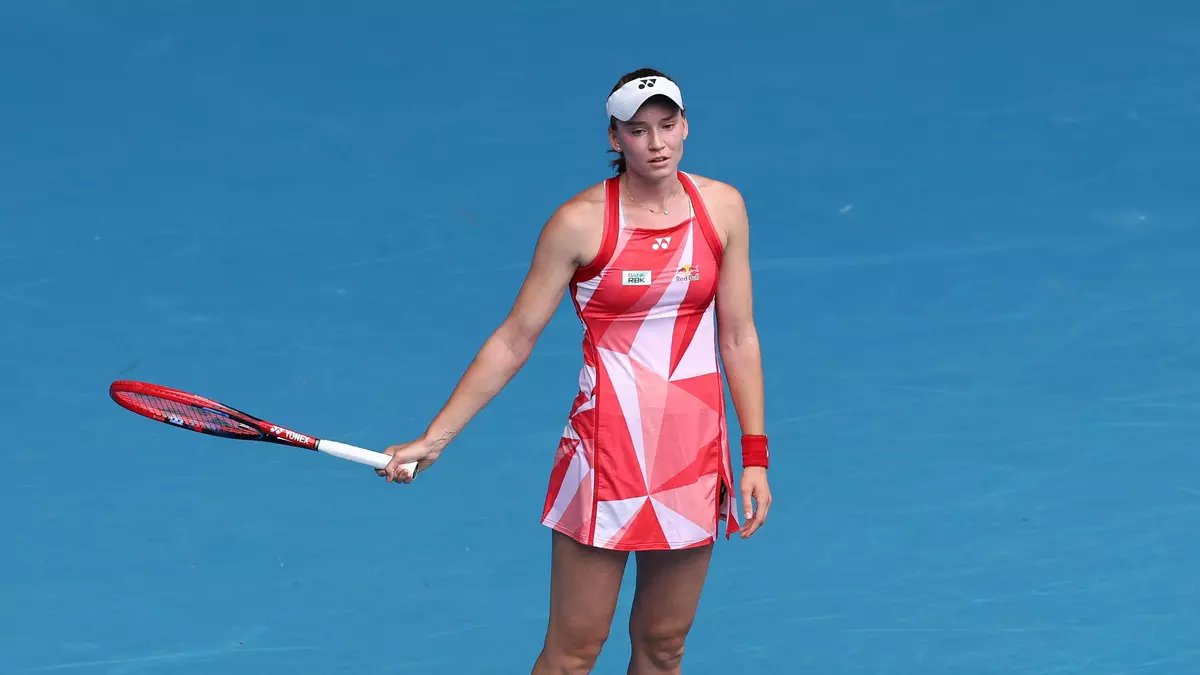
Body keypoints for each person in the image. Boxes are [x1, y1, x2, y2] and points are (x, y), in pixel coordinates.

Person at [378, 67, 773, 674]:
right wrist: (437, 437)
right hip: (605, 455)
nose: (657, 143)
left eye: (667, 125)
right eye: (638, 131)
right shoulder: (580, 223)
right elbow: (514, 339)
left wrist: (755, 455)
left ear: (686, 126)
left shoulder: (723, 208)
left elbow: (739, 336)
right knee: (574, 653)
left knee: (665, 645)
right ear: (615, 138)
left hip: (693, 453)